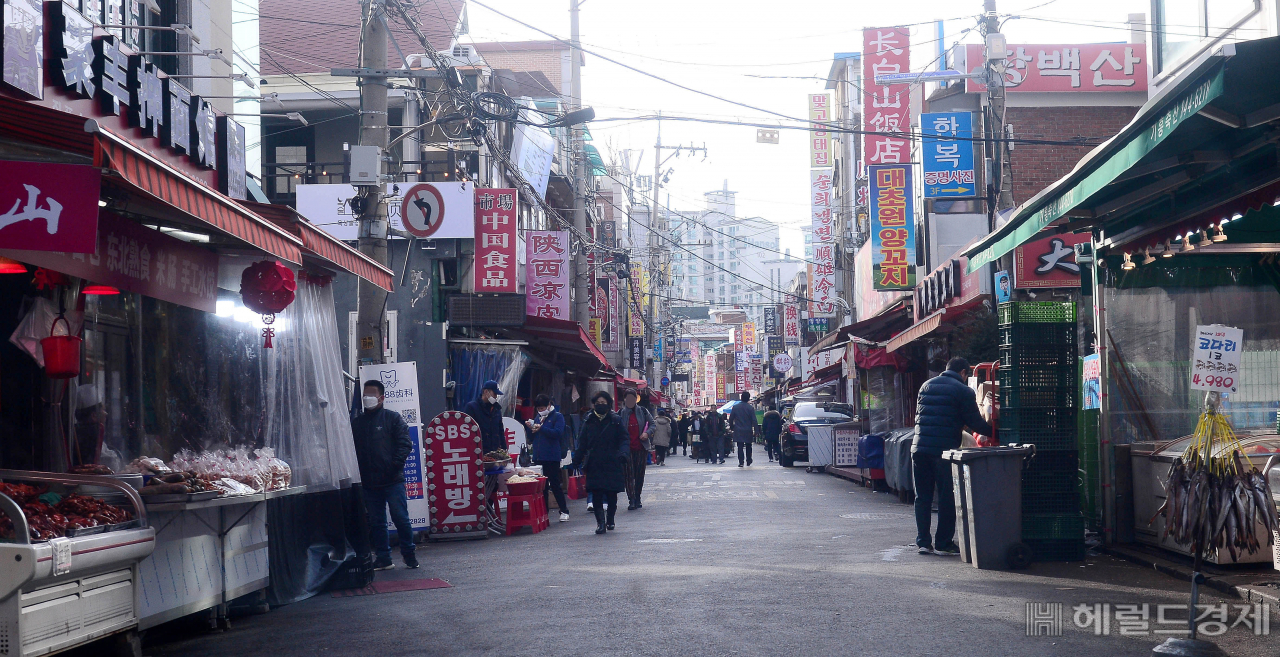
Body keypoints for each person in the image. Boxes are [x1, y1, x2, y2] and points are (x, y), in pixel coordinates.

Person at [912, 357, 994, 556]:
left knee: (922, 497)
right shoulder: (963, 391)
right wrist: (994, 430)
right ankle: (943, 543)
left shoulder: (926, 385)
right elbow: (974, 421)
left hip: (919, 448)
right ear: (964, 373)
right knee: (946, 497)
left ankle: (923, 542)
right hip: (943, 451)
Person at [351, 380, 417, 570]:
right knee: (377, 522)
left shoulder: (393, 419)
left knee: (400, 518)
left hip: (392, 480)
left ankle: (409, 554)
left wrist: (394, 466)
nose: (367, 399)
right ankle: (383, 558)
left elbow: (405, 444)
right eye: (365, 395)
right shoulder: (357, 423)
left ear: (382, 397)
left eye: (371, 395)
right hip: (369, 483)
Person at [571, 391, 629, 534]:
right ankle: (600, 523)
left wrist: (623, 453)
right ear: (594, 405)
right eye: (598, 404)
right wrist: (576, 460)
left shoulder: (615, 420)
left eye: (603, 403)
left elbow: (624, 439)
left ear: (608, 404)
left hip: (612, 461)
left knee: (611, 494)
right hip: (594, 462)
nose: (600, 406)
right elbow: (582, 443)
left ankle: (610, 519)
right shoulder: (588, 421)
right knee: (596, 493)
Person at [527, 394, 570, 523]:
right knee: (542, 486)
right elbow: (532, 437)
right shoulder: (538, 418)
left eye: (542, 408)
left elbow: (557, 433)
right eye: (538, 409)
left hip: (552, 457)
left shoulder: (557, 417)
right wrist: (530, 428)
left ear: (549, 406)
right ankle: (544, 513)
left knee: (555, 484)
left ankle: (564, 511)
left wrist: (542, 428)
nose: (540, 411)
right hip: (539, 457)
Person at [617, 389, 654, 510]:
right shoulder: (620, 413)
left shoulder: (643, 411)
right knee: (628, 475)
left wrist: (647, 433)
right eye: (628, 398)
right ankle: (631, 499)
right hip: (626, 449)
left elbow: (653, 424)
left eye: (632, 398)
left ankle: (637, 497)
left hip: (640, 448)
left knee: (639, 474)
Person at [462, 380, 506, 453]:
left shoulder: (496, 409)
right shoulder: (472, 407)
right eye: (494, 393)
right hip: (478, 452)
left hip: (495, 452)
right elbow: (466, 431)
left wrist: (504, 448)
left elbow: (500, 431)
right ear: (486, 392)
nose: (495, 397)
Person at [729, 392, 759, 467]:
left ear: (741, 397)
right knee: (749, 446)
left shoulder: (735, 407)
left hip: (738, 429)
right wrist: (756, 430)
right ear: (748, 398)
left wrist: (732, 427)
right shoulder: (750, 408)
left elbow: (731, 419)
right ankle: (748, 460)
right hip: (748, 429)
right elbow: (754, 420)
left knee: (740, 446)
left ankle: (741, 462)